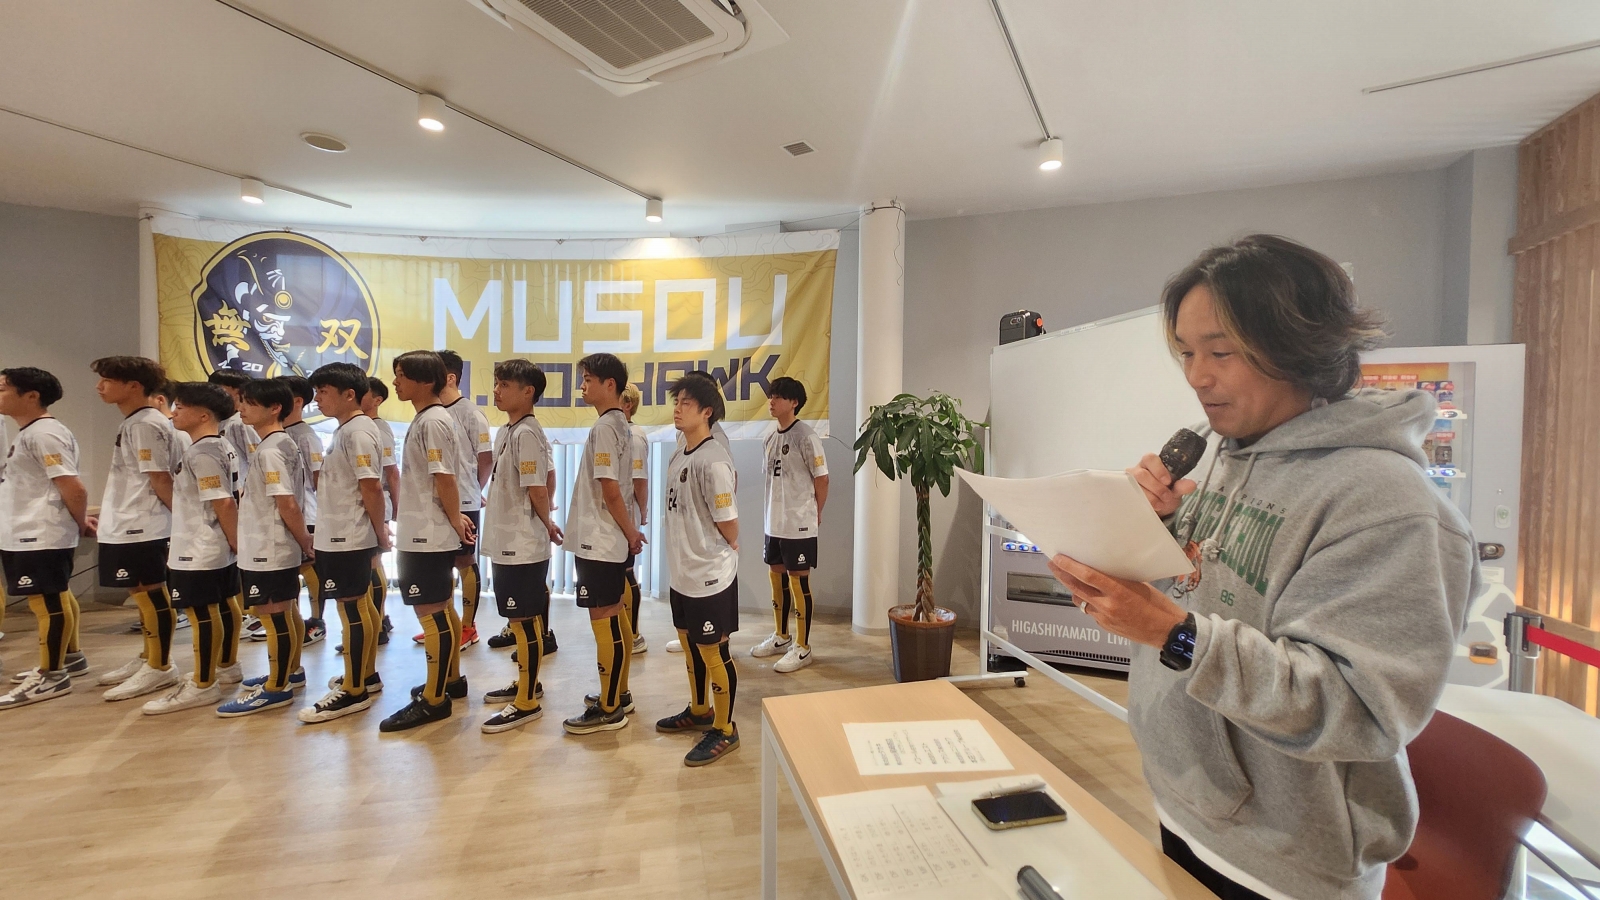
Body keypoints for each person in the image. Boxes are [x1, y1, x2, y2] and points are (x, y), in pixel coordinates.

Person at [1046, 235, 1477, 900]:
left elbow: (1360, 710)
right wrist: (1145, 535)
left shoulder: (1389, 505)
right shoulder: (1220, 454)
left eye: (1220, 352)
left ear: (1298, 347)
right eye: (1186, 353)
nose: (1196, 376)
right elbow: (1201, 592)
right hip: (1185, 804)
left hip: (1287, 862)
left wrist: (1175, 635)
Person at [381, 350, 474, 732]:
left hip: (427, 534)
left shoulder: (434, 421)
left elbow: (445, 477)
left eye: (401, 375)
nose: (395, 383)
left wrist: (453, 520)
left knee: (433, 614)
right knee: (440, 609)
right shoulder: (429, 418)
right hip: (424, 531)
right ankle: (450, 680)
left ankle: (435, 700)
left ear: (425, 381)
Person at [655, 374, 742, 766]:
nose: (677, 409)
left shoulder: (714, 459)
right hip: (683, 573)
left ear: (707, 412)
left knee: (714, 651)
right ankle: (699, 709)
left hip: (710, 574)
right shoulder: (680, 454)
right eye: (676, 402)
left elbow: (729, 522)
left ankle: (725, 728)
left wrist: (726, 547)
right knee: (690, 645)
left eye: (686, 403)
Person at [143, 382, 242, 714]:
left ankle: (203, 684)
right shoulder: (218, 445)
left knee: (202, 612)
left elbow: (223, 502)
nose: (173, 413)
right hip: (210, 544)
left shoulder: (204, 452)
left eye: (180, 407)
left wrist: (236, 542)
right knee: (222, 604)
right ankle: (225, 667)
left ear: (203, 415)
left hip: (201, 547)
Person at [90, 356, 185, 701]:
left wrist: (183, 522)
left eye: (107, 380)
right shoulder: (135, 421)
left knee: (151, 593)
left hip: (144, 524)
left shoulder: (146, 423)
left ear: (133, 385)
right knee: (140, 594)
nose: (99, 387)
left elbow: (160, 478)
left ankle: (160, 666)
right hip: (129, 522)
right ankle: (149, 656)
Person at [300, 363, 389, 723]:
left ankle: (354, 691)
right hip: (340, 533)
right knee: (357, 605)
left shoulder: (358, 432)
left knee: (352, 609)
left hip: (349, 535)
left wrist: (380, 533)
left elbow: (372, 487)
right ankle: (365, 676)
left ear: (349, 395)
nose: (317, 399)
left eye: (323, 392)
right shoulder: (347, 430)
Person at [217, 378, 311, 716]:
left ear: (274, 408)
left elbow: (287, 503)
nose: (241, 408)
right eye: (242, 401)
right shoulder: (276, 444)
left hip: (270, 547)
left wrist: (305, 541)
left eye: (250, 403)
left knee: (275, 616)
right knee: (286, 611)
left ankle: (276, 687)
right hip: (270, 544)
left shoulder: (272, 449)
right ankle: (291, 671)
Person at [0, 367, 93, 708]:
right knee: (55, 595)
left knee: (47, 602)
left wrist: (79, 523)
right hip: (26, 532)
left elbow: (73, 487)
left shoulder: (45, 434)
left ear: (31, 396)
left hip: (40, 534)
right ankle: (68, 658)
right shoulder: (29, 432)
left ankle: (52, 676)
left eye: (3, 388)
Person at [561, 352, 643, 736]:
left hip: (601, 540)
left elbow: (611, 491)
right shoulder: (618, 425)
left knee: (605, 619)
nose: (582, 386)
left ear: (610, 385)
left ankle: (610, 707)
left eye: (588, 379)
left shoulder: (608, 427)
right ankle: (618, 694)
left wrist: (630, 532)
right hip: (604, 540)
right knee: (614, 615)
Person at [478, 359, 562, 733]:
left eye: (505, 385)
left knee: (525, 622)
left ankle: (527, 701)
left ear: (528, 392)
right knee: (517, 621)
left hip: (522, 544)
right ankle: (527, 682)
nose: (497, 390)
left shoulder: (527, 433)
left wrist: (547, 523)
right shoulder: (507, 431)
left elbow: (538, 486)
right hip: (506, 540)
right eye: (496, 383)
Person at [755, 376, 829, 673]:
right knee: (776, 576)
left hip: (799, 523)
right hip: (774, 522)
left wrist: (816, 512)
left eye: (778, 397)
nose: (771, 401)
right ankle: (781, 636)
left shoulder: (807, 437)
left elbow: (822, 479)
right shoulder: (769, 438)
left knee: (799, 581)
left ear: (794, 402)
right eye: (771, 396)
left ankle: (803, 646)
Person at [431, 350, 492, 650]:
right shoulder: (431, 413)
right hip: (436, 502)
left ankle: (469, 626)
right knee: (440, 563)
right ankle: (446, 624)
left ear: (450, 378)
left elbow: (486, 459)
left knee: (464, 560)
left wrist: (472, 489)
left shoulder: (470, 413)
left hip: (465, 501)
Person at [206, 369, 254, 661]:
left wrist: (246, 493)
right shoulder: (222, 424)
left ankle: (247, 612)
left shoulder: (240, 423)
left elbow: (253, 459)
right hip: (232, 498)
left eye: (224, 390)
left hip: (241, 500)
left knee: (239, 559)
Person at [280, 375, 325, 645]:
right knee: (290, 569)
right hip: (284, 514)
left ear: (297, 402)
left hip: (307, 513)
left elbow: (319, 478)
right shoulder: (278, 433)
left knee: (309, 567)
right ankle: (294, 620)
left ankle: (316, 622)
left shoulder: (306, 436)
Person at [362, 376, 398, 643]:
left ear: (377, 400)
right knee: (371, 562)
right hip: (364, 502)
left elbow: (391, 472)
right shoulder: (358, 426)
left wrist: (397, 507)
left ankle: (379, 622)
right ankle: (379, 618)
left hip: (377, 500)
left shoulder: (378, 429)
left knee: (373, 561)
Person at [619, 383, 649, 654]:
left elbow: (639, 480)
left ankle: (635, 634)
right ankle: (623, 630)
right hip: (614, 515)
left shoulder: (635, 436)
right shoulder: (613, 431)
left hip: (628, 512)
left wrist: (643, 512)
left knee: (627, 571)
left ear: (627, 405)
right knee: (618, 572)